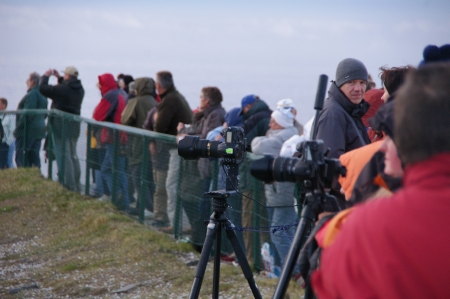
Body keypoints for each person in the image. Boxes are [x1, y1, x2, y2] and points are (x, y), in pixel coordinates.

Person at [311, 62, 450, 299]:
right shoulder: (335, 114)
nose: (357, 88)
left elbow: (331, 282)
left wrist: (331, 229)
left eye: (361, 83)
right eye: (351, 82)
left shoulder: (367, 226)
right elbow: (329, 163)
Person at [251, 107, 298, 277]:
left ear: (281, 123)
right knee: (288, 233)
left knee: (279, 233)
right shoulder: (280, 135)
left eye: (273, 121)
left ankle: (295, 273)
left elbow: (257, 146)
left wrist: (260, 138)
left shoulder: (285, 137)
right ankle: (284, 269)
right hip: (277, 194)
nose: (270, 124)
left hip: (283, 195)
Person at [177, 87, 225, 243]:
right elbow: (202, 134)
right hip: (206, 169)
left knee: (205, 208)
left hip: (211, 169)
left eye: (200, 97)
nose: (198, 100)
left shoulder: (215, 115)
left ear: (207, 100)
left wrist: (187, 137)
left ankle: (204, 243)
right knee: (202, 207)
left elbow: (208, 138)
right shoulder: (208, 114)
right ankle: (201, 242)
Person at [153, 71, 193, 227]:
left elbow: (159, 126)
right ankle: (181, 224)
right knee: (177, 186)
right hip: (183, 146)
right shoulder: (177, 96)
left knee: (171, 185)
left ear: (158, 86)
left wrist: (157, 119)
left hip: (177, 148)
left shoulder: (169, 100)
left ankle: (177, 225)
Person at [39, 66, 84, 192]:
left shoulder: (64, 89)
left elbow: (43, 89)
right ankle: (76, 183)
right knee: (72, 155)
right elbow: (65, 90)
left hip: (60, 127)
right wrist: (59, 78)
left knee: (65, 156)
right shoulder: (80, 89)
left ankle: (69, 186)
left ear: (68, 76)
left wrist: (46, 76)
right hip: (74, 127)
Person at [93, 73, 130, 211]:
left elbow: (97, 115)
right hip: (122, 137)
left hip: (112, 138)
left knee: (113, 169)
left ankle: (120, 199)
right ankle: (120, 198)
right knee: (112, 169)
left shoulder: (110, 96)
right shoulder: (121, 93)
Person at [121, 77, 158, 214]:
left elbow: (125, 120)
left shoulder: (135, 102)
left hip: (137, 144)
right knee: (149, 178)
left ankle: (146, 207)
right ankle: (148, 206)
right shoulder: (154, 102)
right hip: (153, 145)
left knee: (138, 176)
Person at [14, 72, 48, 168]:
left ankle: (24, 178)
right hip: (39, 130)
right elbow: (44, 114)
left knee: (21, 157)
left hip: (28, 130)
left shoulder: (32, 95)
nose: (26, 82)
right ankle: (36, 178)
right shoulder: (43, 95)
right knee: (34, 156)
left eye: (28, 80)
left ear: (32, 82)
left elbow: (28, 114)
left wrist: (18, 127)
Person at [0, 98, 15, 169]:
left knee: (6, 163)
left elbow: (12, 131)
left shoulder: (9, 116)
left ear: (4, 105)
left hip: (4, 143)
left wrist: (7, 143)